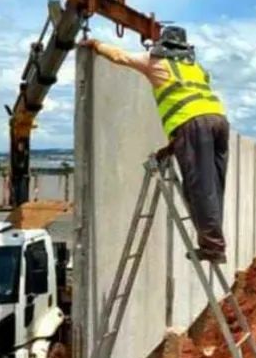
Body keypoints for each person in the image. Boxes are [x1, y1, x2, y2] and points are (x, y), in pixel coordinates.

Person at [80, 25, 230, 262]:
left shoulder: (155, 61)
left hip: (193, 123)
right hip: (219, 122)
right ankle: (214, 241)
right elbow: (188, 93)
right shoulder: (196, 68)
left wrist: (96, 45)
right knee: (214, 185)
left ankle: (213, 247)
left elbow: (121, 56)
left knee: (199, 186)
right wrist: (175, 143)